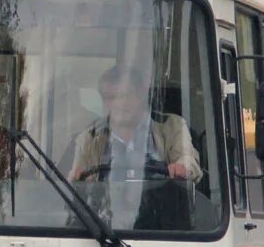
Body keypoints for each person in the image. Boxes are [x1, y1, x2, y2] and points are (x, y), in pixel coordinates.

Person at [69, 65, 203, 185]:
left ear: (140, 95)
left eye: (123, 96)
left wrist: (181, 168)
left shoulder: (172, 126)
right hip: (104, 210)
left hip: (162, 208)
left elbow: (189, 160)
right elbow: (76, 179)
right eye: (109, 97)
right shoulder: (90, 136)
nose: (117, 104)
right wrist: (77, 179)